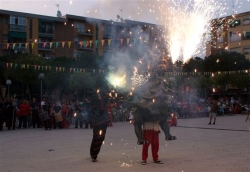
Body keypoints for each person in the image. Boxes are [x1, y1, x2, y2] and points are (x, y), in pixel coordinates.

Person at [90, 93, 109, 162]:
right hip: (101, 123)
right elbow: (101, 111)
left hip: (96, 123)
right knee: (99, 139)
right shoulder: (99, 104)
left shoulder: (93, 104)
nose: (101, 96)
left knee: (95, 137)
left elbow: (91, 113)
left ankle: (92, 153)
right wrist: (102, 102)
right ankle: (94, 156)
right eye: (99, 96)